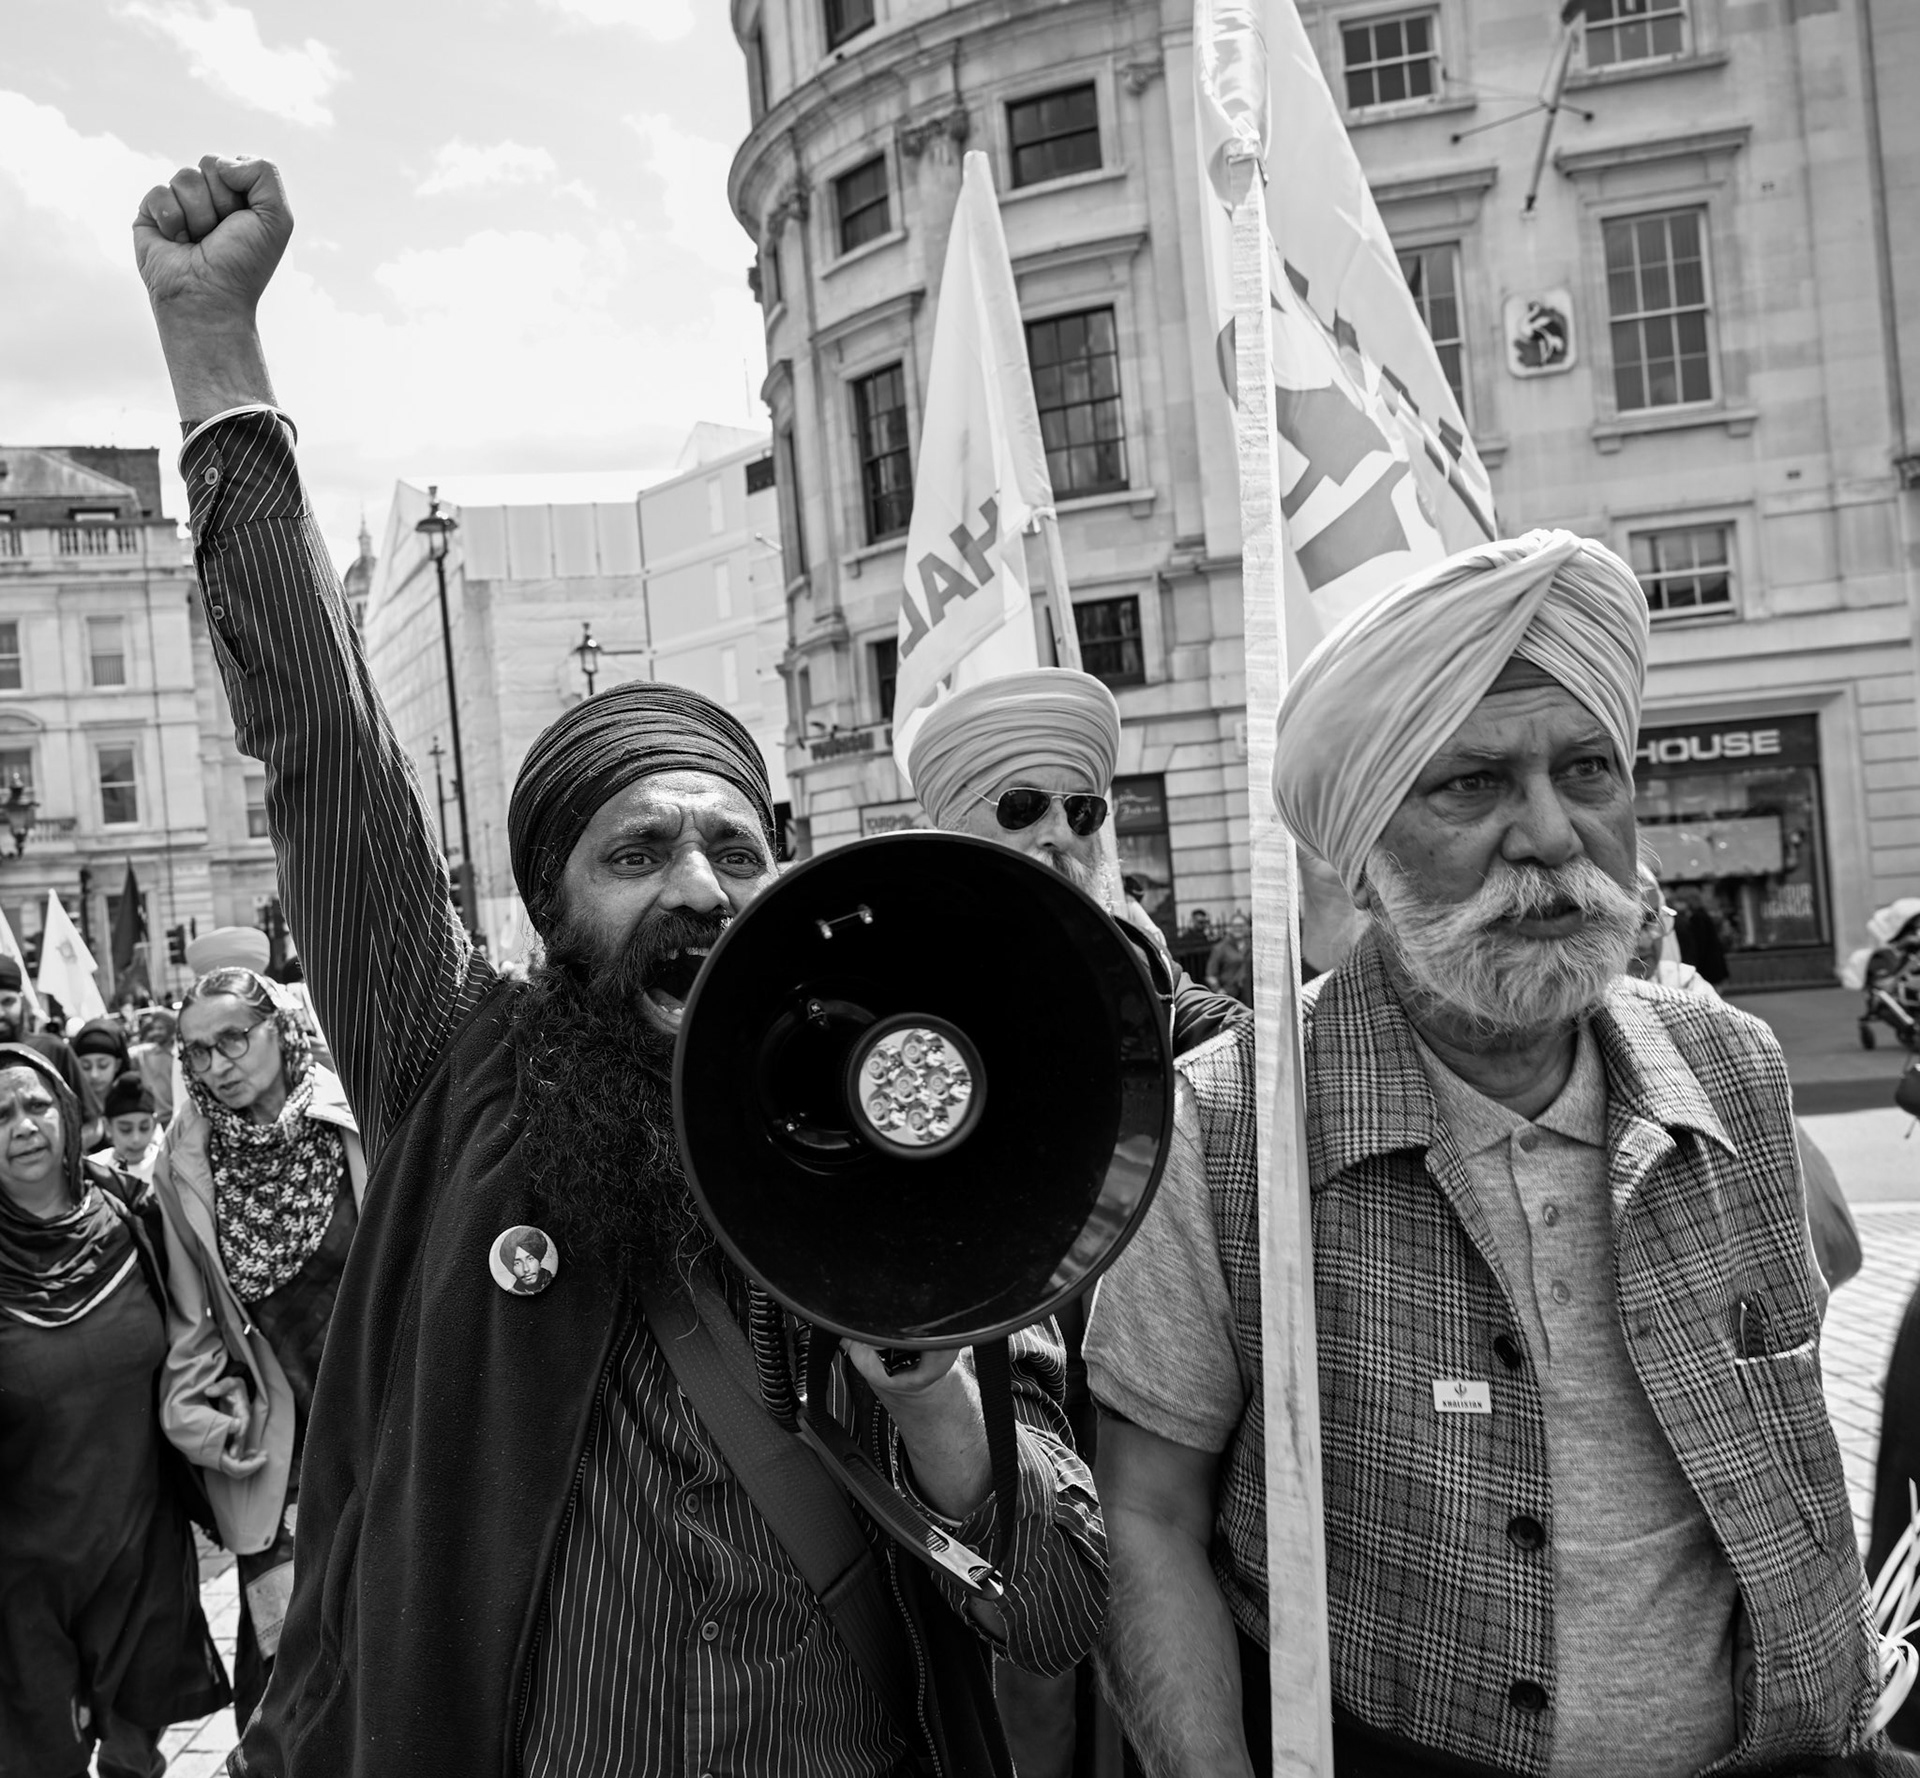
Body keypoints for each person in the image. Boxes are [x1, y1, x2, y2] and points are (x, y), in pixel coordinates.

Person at [134, 151, 1103, 1778]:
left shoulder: (913, 1151)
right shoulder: (463, 1076)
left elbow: (1055, 1605)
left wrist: (930, 1383)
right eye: (639, 851)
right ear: (551, 907)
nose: (702, 885)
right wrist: (214, 352)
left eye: (734, 846)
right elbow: (328, 756)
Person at [1087, 530, 1887, 1776]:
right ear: (1361, 859)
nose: (1552, 834)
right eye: (1472, 784)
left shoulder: (1730, 1065)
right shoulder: (1228, 1127)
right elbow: (1148, 1515)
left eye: (1588, 769)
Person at [906, 667, 1251, 1778]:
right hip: (995, 1442)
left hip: (1163, 1453)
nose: (1059, 834)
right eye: (1020, 807)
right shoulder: (905, 1013)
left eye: (1084, 808)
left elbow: (1255, 1081)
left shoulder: (1181, 1015)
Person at [0, 1042, 230, 1778]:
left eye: (36, 1105)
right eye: (0, 1115)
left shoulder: (130, 1215)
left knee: (135, 1755)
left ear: (69, 1113)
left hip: (140, 1543)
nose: (22, 1125)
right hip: (24, 1571)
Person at [152, 964, 367, 1731]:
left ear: (282, 1028)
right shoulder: (182, 1162)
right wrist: (211, 1427)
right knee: (291, 1677)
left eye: (234, 1039)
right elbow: (193, 1329)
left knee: (397, 1650)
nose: (218, 1065)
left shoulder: (353, 1116)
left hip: (385, 1428)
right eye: (197, 1052)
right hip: (282, 1459)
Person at [72, 1014, 133, 1149]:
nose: (94, 1075)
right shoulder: (71, 1107)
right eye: (85, 1066)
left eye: (103, 1065)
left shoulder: (135, 1100)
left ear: (117, 1065)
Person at [95, 1071, 164, 1180]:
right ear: (107, 1126)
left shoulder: (169, 1166)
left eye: (144, 1127)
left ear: (155, 1124)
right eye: (125, 1130)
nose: (136, 1139)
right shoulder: (94, 1169)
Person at [1204, 911, 1253, 1006]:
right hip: (1230, 996)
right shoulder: (1220, 948)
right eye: (1235, 926)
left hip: (1249, 996)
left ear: (1247, 927)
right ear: (1230, 928)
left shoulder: (1252, 946)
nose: (1238, 928)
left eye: (1241, 925)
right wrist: (1219, 991)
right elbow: (1210, 974)